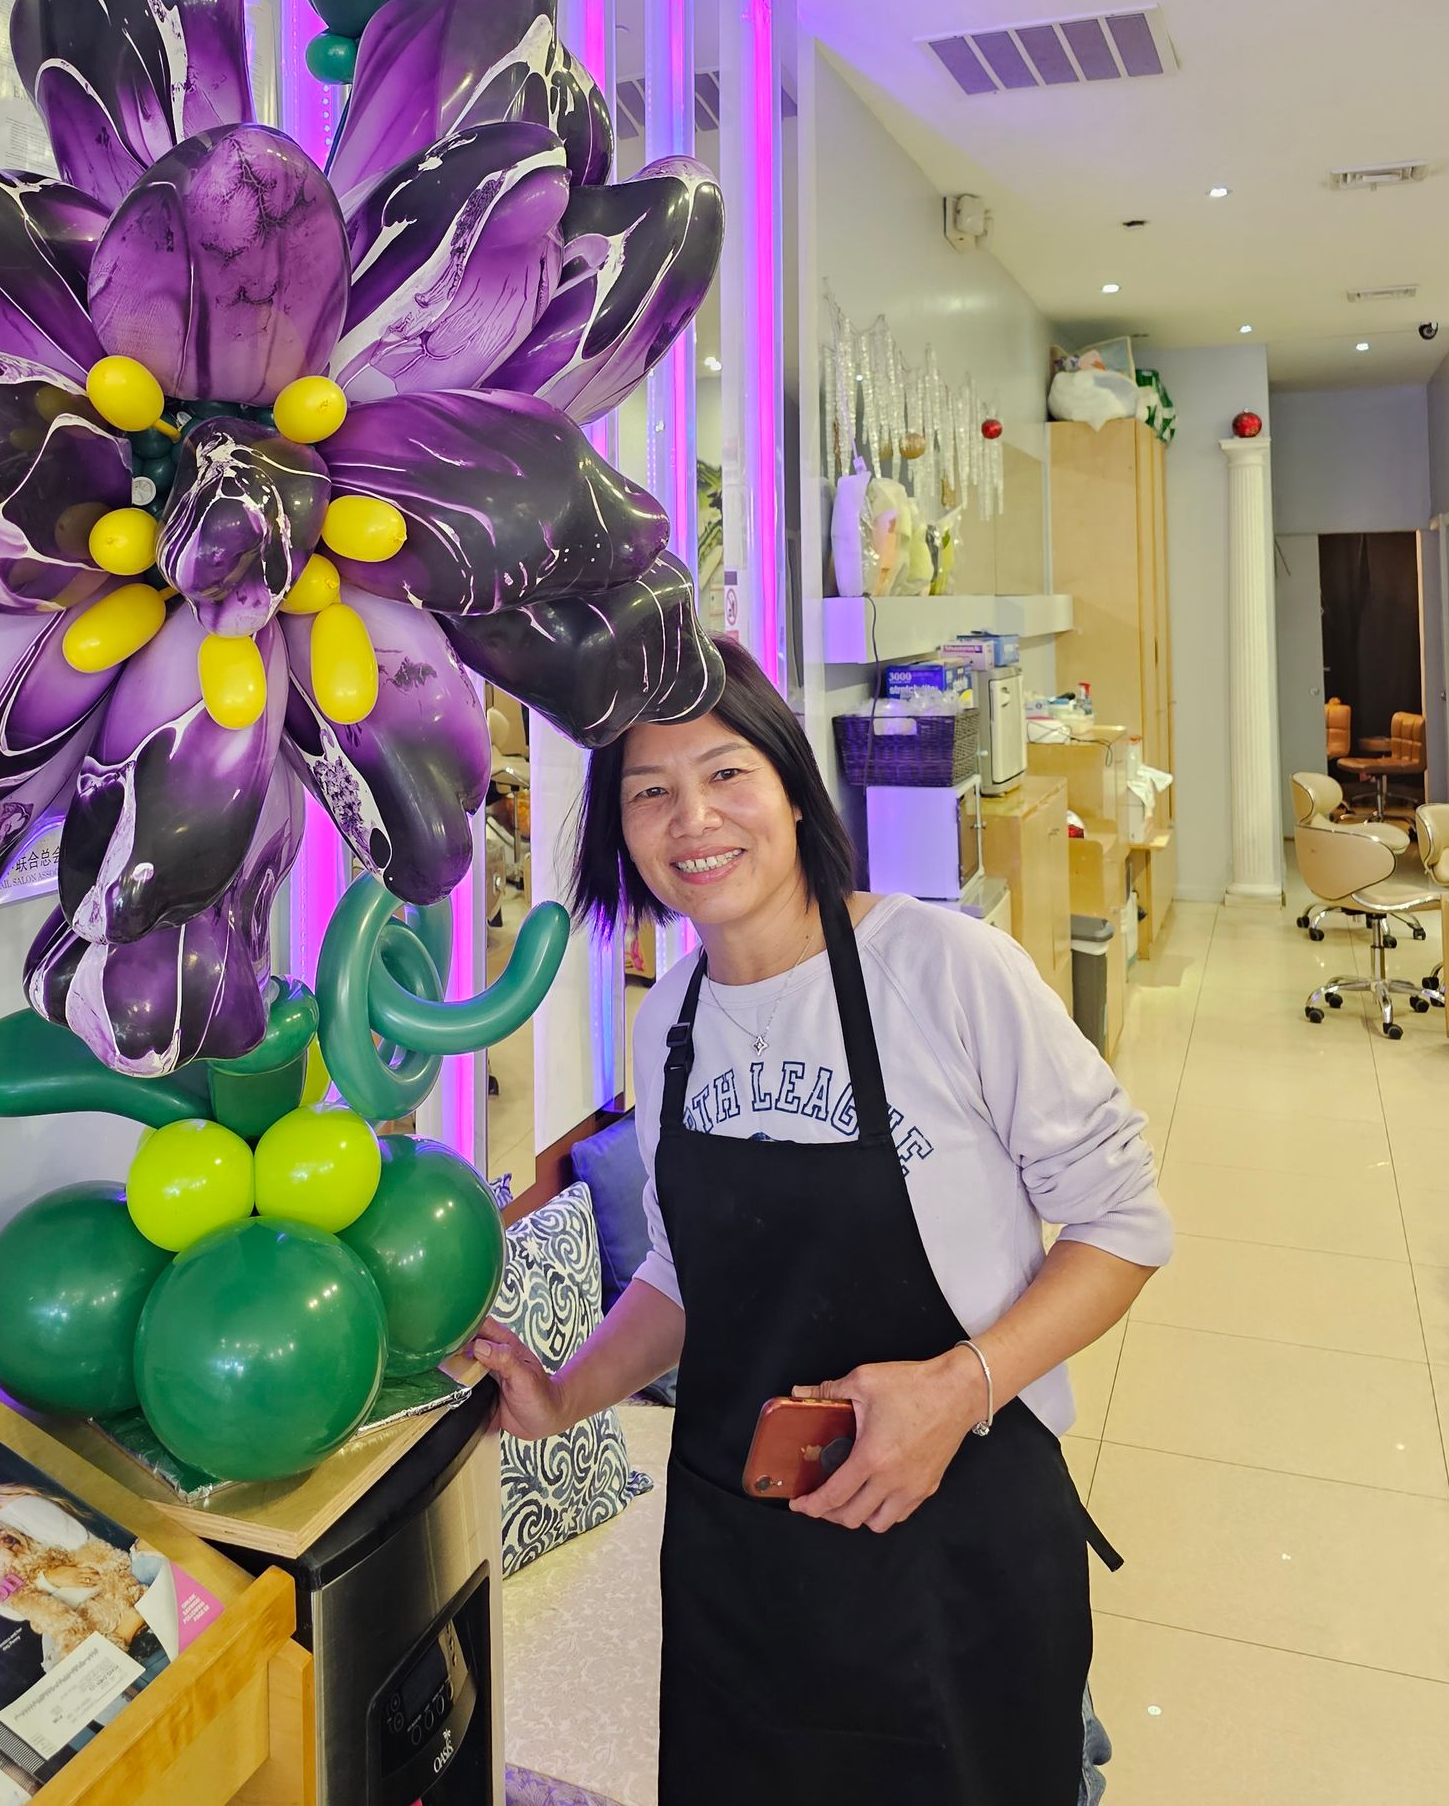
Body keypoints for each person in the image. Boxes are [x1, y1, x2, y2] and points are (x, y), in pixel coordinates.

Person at [472, 638, 1170, 1806]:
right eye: (650, 790)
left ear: (792, 788)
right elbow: (690, 1274)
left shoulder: (944, 969)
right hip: (741, 1562)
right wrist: (568, 1390)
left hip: (956, 1535)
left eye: (726, 772)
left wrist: (958, 1388)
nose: (692, 816)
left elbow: (1126, 1221)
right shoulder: (672, 1019)